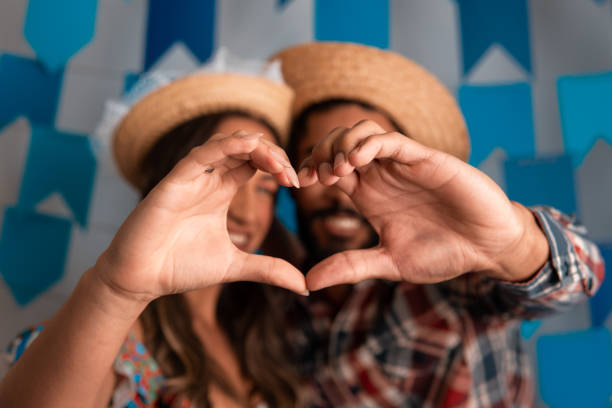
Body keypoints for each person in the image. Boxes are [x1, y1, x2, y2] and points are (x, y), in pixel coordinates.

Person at [270, 41, 605, 407]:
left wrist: (512, 245)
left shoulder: (457, 273)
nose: (338, 191)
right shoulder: (273, 308)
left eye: (364, 165)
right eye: (319, 163)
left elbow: (578, 278)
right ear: (289, 178)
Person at [0, 56, 307, 408]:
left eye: (266, 190)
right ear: (165, 186)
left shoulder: (263, 331)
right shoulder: (123, 339)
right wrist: (114, 292)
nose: (246, 214)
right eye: (227, 180)